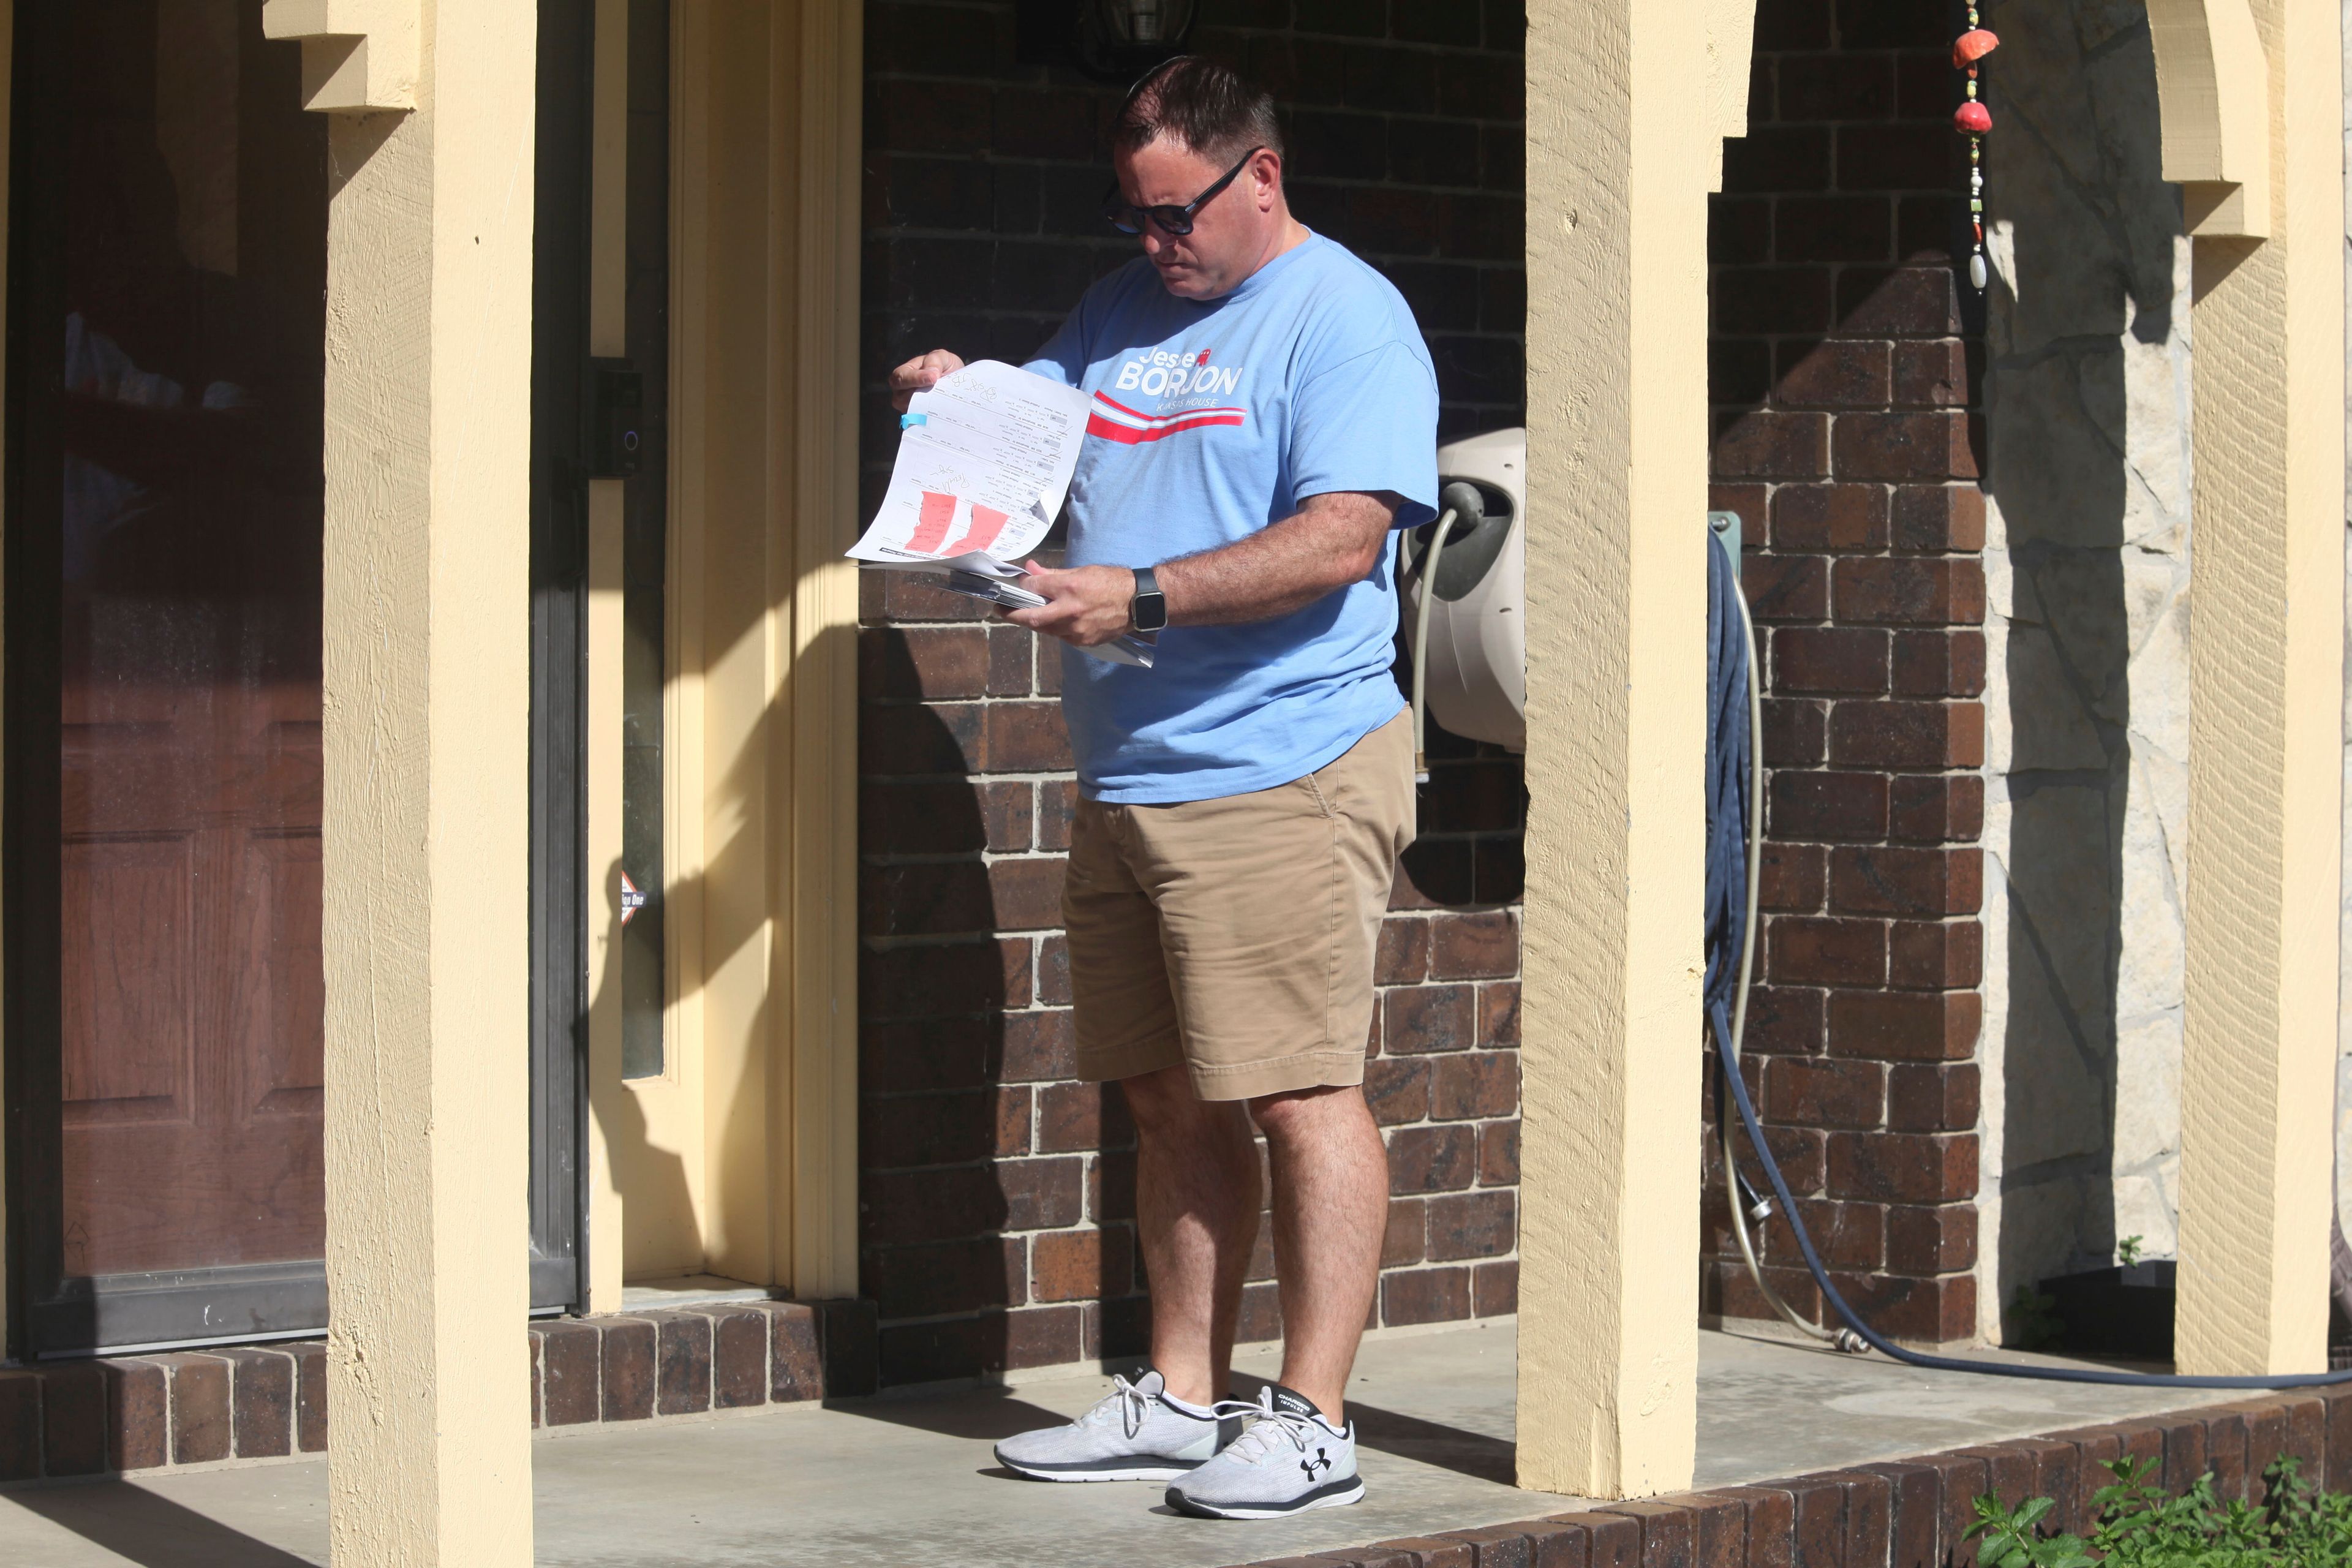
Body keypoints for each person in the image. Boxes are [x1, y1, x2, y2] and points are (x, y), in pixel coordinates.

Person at [889, 55, 1439, 1521]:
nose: (1156, 244)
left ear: (1260, 173)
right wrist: (964, 410)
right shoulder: (1129, 310)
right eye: (1136, 217)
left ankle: (1312, 1417)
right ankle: (1181, 1393)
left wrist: (1138, 596)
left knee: (1299, 1089)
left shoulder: (1348, 319)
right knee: (1165, 1091)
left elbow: (1337, 538)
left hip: (1284, 763)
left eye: (1177, 213)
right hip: (1131, 770)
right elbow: (1040, 450)